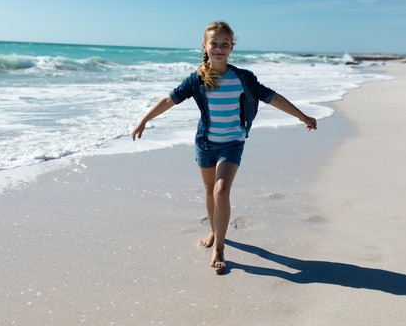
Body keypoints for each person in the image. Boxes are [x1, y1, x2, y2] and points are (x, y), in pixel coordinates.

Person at [132, 21, 317, 274]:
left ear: (232, 47)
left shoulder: (243, 78)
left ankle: (219, 246)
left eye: (224, 44)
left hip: (232, 143)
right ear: (204, 46)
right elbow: (169, 99)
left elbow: (272, 97)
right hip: (206, 143)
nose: (219, 49)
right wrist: (144, 119)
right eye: (214, 44)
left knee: (221, 190)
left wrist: (301, 115)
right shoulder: (197, 79)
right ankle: (213, 229)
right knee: (209, 190)